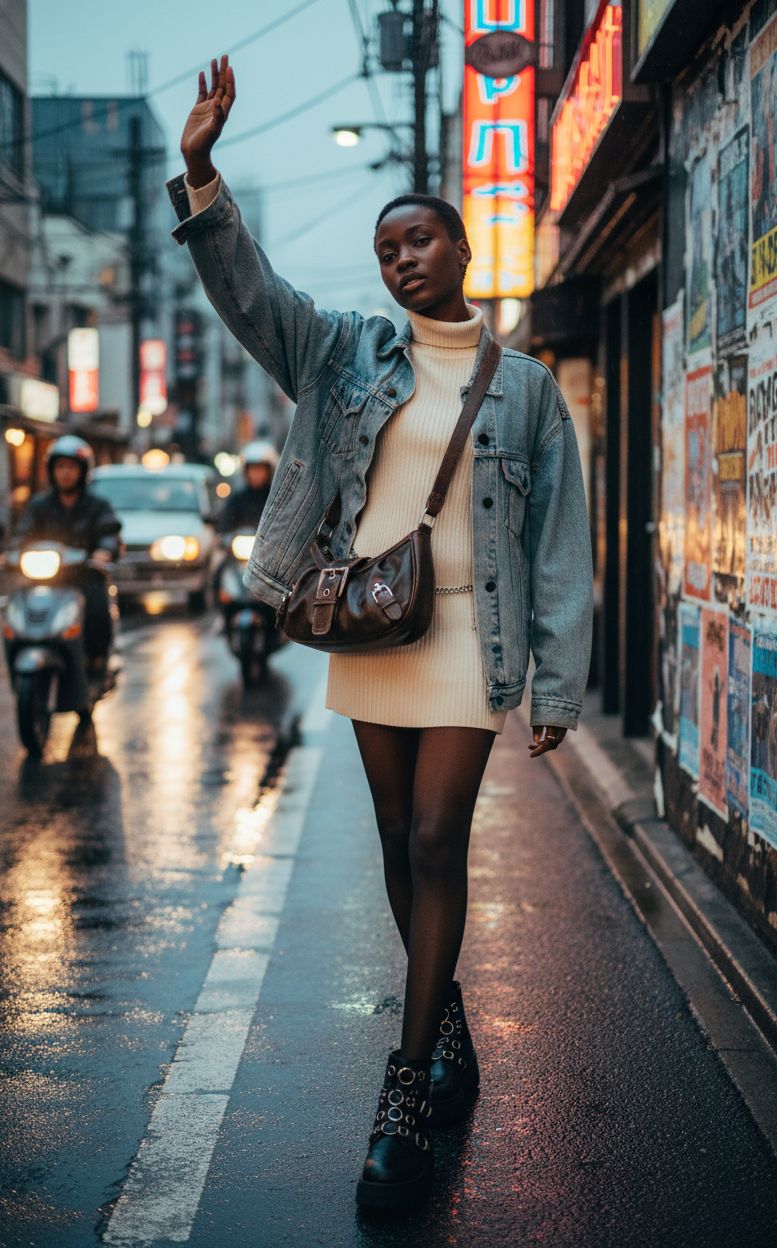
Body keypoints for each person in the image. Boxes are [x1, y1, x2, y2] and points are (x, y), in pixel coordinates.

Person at [169, 55, 593, 1213]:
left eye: (418, 241)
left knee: (435, 841)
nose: (401, 259)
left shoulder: (528, 392)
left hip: (470, 642)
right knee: (399, 837)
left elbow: (558, 546)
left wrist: (557, 679)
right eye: (385, 250)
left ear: (459, 247)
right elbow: (251, 296)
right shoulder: (346, 350)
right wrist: (201, 173)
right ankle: (444, 1024)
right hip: (370, 634)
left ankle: (404, 1089)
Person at [15, 435, 120, 671]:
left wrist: (104, 551)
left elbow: (109, 532)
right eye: (60, 467)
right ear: (51, 471)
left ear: (83, 471)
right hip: (44, 577)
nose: (65, 473)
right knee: (16, 605)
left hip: (83, 576)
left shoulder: (97, 505)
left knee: (96, 606)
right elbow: (22, 534)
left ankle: (96, 660)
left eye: (71, 467)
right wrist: (11, 553)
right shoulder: (38, 505)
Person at [217, 439, 279, 534]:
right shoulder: (237, 499)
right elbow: (224, 526)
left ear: (269, 471)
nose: (256, 474)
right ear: (246, 471)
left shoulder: (276, 499)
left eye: (260, 469)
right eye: (253, 469)